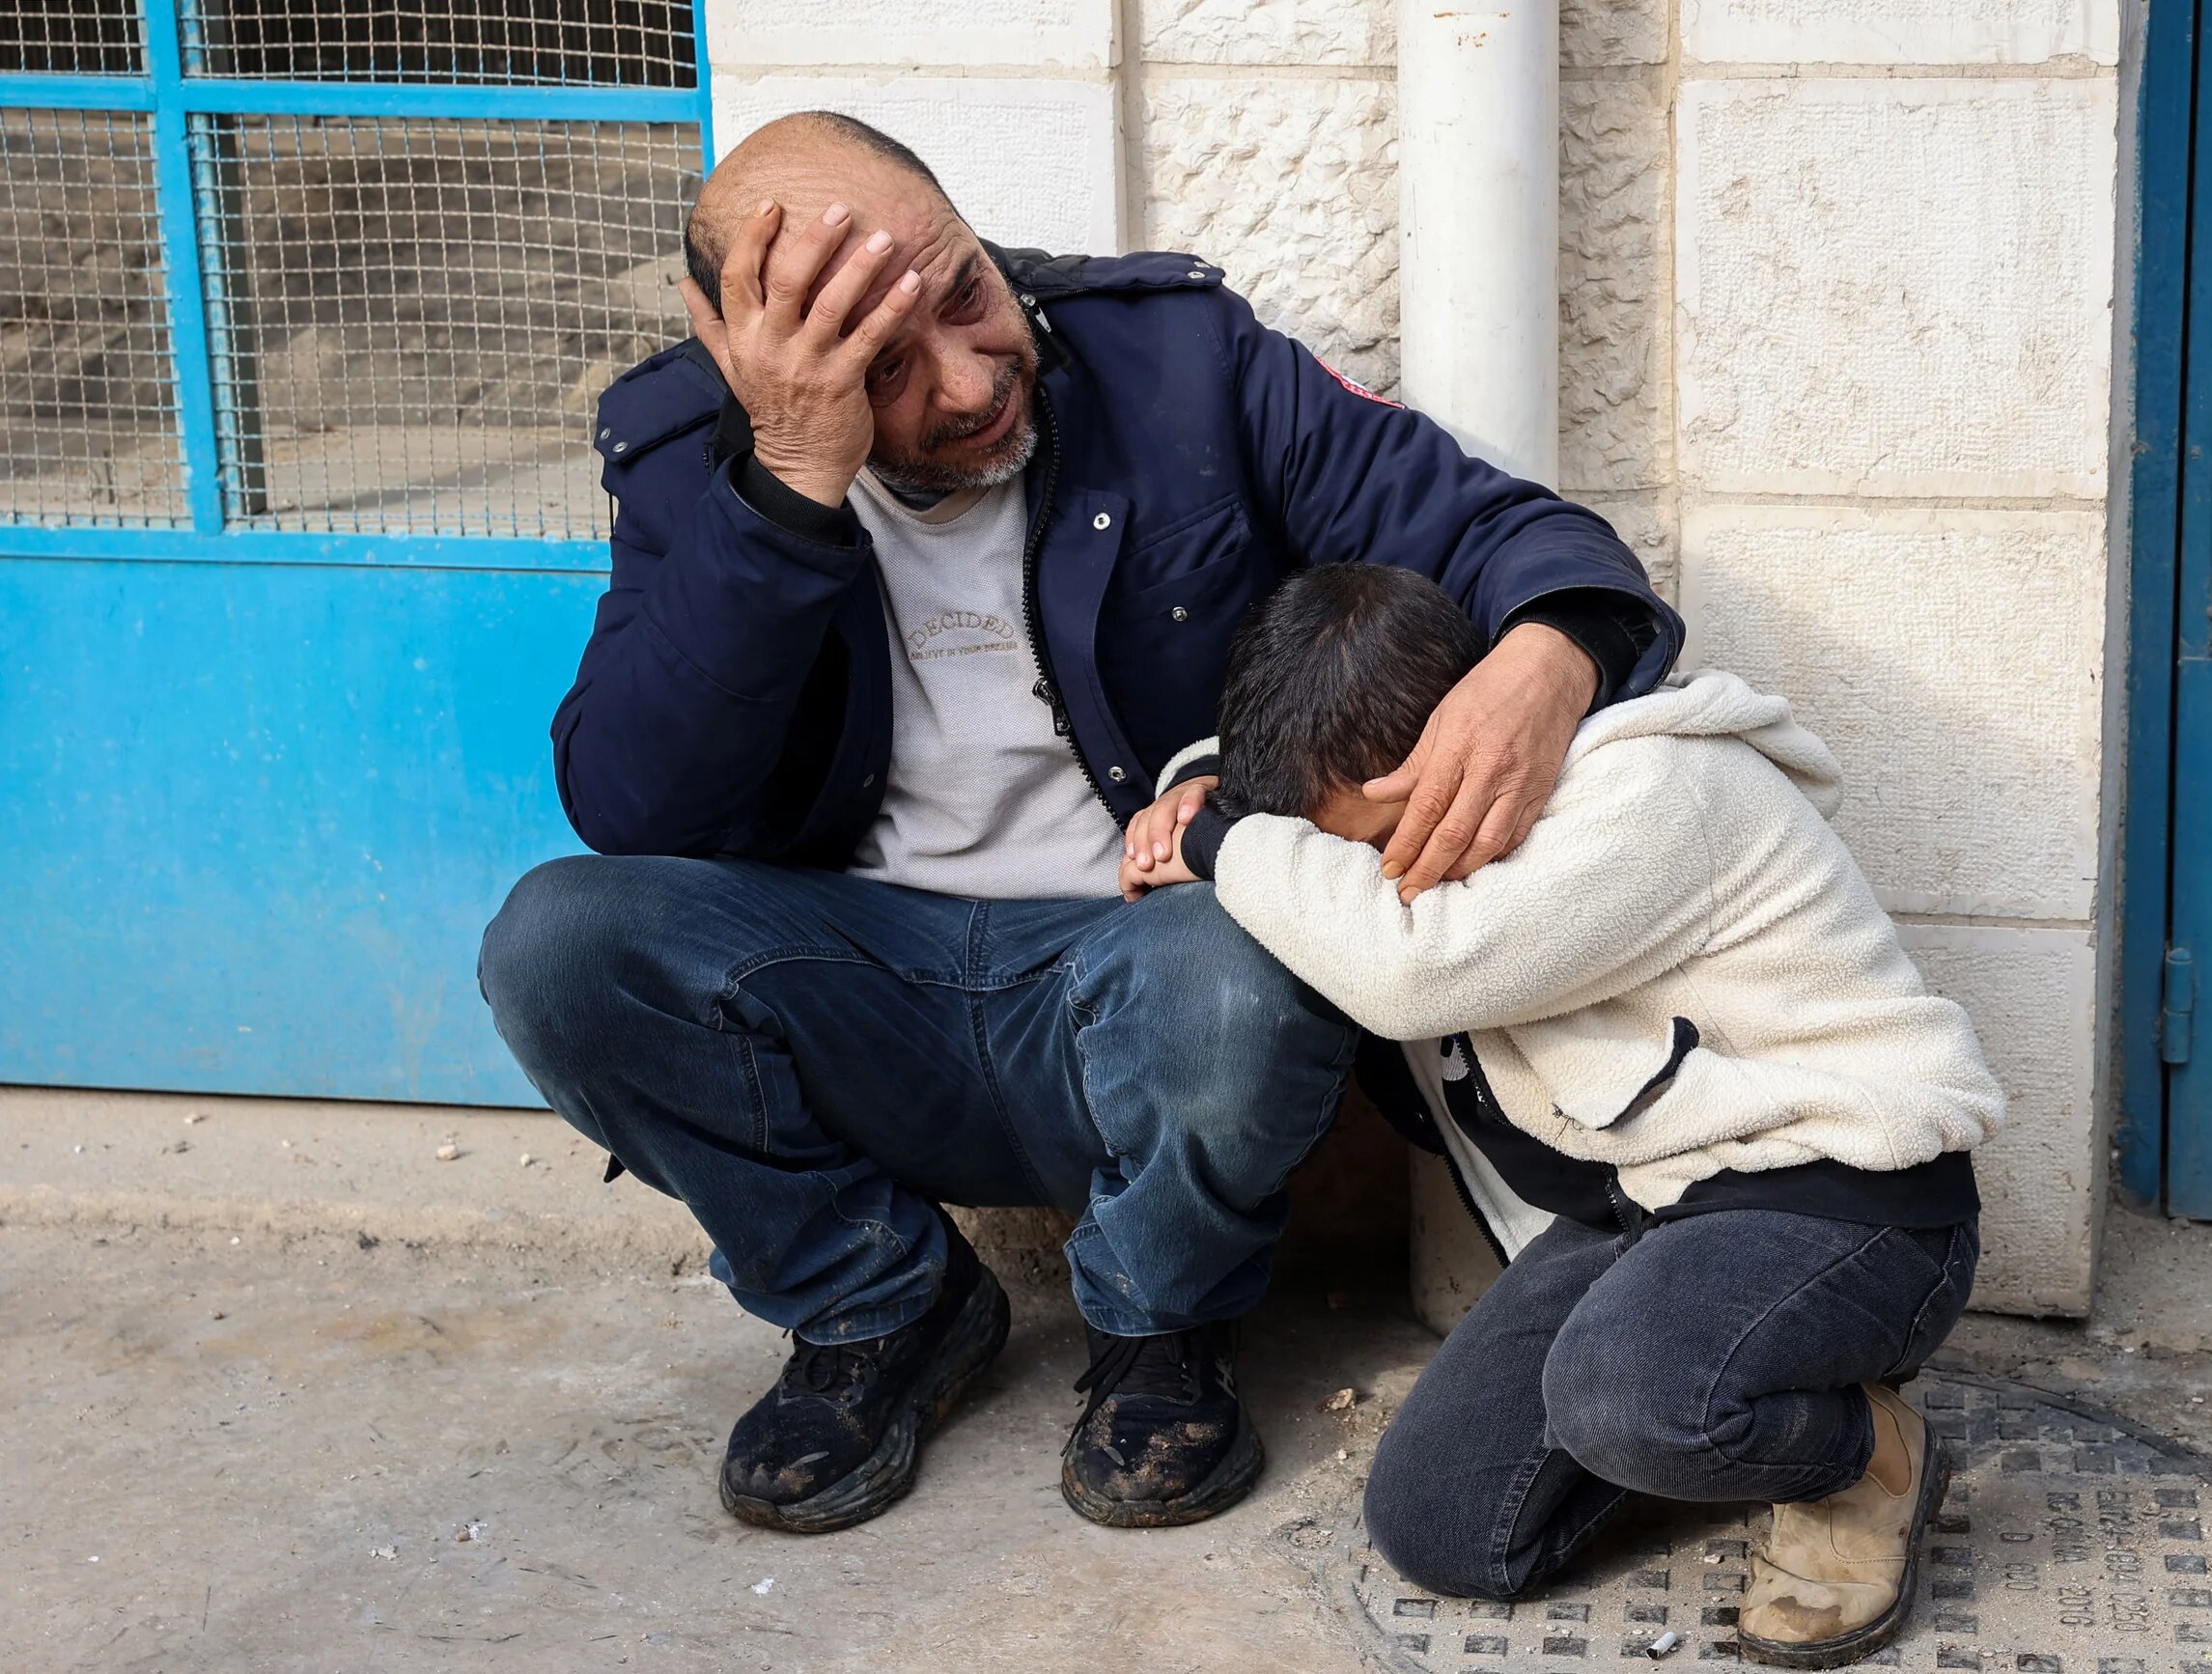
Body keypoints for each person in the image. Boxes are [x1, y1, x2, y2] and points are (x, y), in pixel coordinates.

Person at [474, 111, 1681, 1536]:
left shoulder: (1172, 360)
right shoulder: (691, 450)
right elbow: (635, 803)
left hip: (1150, 967)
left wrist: (1552, 652)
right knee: (557, 945)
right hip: (861, 985)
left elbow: (1492, 529)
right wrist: (788, 491)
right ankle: (883, 1309)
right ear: (754, 364)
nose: (974, 380)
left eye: (966, 295)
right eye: (884, 372)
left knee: (1240, 953)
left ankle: (1162, 1325)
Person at [1123, 566, 2000, 1668]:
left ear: (1472, 743)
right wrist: (1203, 785)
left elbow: (1408, 973)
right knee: (1443, 1530)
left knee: (1630, 1401)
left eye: (1382, 841)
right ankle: (1712, 1397)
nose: (1371, 878)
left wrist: (1214, 845)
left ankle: (1863, 1454)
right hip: (1646, 1203)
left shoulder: (1649, 795)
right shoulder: (1402, 802)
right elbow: (1300, 822)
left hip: (1845, 1202)